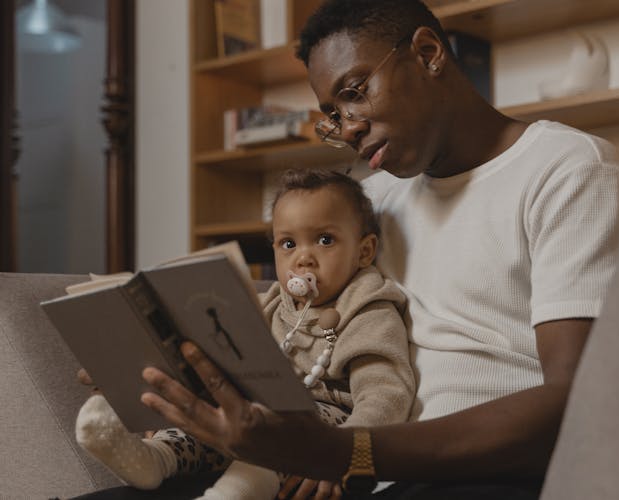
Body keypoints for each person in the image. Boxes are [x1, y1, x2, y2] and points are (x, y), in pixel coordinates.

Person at [140, 1, 619, 499]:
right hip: (366, 470)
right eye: (334, 115)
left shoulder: (571, 172)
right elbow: (304, 326)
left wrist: (346, 451)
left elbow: (576, 404)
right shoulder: (374, 202)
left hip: (496, 475)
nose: (350, 126)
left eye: (355, 92)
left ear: (428, 53)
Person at [74, 169, 415, 500]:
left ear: (364, 251)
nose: (303, 258)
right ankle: (154, 459)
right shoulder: (273, 304)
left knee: (273, 440)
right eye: (288, 243)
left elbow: (386, 394)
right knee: (205, 424)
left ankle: (232, 493)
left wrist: (343, 454)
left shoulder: (369, 309)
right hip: (252, 415)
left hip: (324, 428)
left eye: (325, 240)